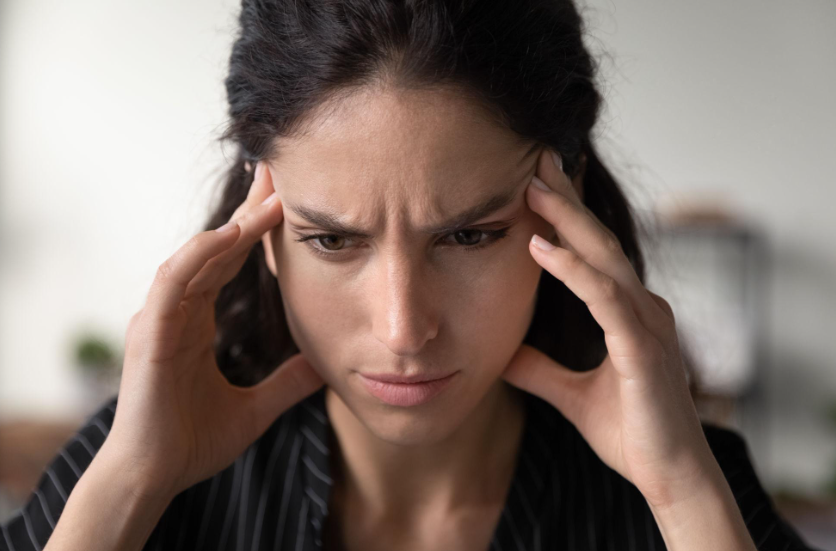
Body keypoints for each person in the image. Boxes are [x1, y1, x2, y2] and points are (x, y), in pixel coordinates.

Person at [0, 0, 822, 550]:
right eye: (331, 240)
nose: (403, 328)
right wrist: (127, 489)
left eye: (468, 234)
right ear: (264, 221)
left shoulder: (687, 491)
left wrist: (684, 496)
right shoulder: (137, 469)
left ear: (563, 194)